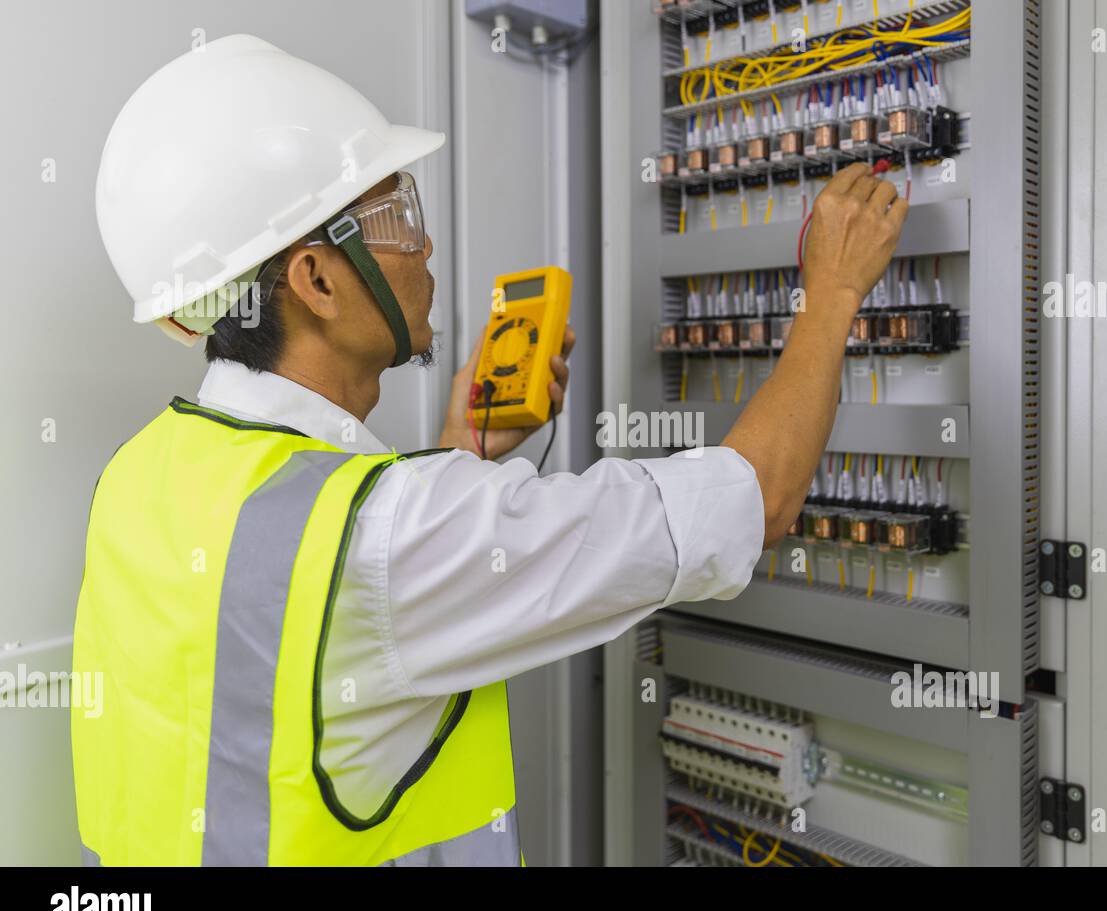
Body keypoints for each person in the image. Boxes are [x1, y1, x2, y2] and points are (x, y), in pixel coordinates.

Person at [73, 35, 906, 866]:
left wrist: (459, 450)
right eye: (397, 214)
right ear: (317, 281)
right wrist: (832, 294)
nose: (424, 246)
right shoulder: (385, 536)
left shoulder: (142, 475)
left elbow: (320, 643)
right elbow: (756, 498)